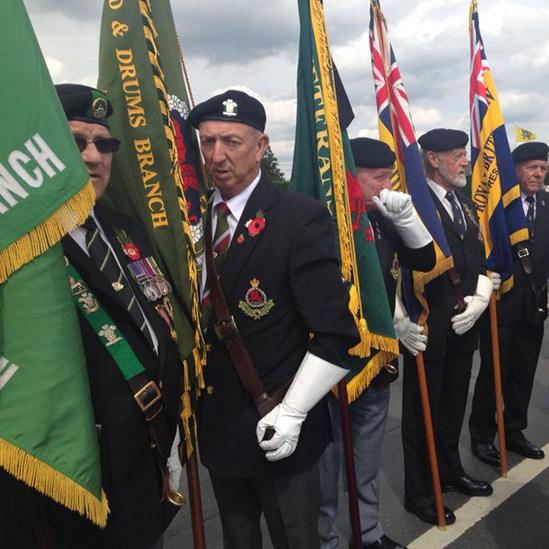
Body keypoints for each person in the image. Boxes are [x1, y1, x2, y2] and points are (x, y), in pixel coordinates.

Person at [0, 84, 182, 549]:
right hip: (63, 487)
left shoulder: (124, 229)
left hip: (142, 468)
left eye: (104, 144)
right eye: (76, 141)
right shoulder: (18, 251)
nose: (94, 156)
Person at [187, 89, 359, 549]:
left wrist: (294, 411)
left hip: (279, 423)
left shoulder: (299, 218)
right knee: (237, 540)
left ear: (261, 145)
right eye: (207, 142)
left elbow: (336, 335)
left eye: (232, 141)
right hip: (220, 425)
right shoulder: (196, 221)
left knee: (296, 539)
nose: (217, 156)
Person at [318, 137, 435, 549]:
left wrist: (407, 222)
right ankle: (326, 539)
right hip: (331, 360)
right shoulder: (323, 221)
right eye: (379, 177)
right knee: (328, 460)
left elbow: (424, 262)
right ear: (351, 176)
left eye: (389, 176)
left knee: (366, 454)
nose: (387, 186)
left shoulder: (384, 218)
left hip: (378, 356)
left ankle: (368, 533)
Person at [401, 128, 495, 526]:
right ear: (433, 159)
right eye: (457, 155)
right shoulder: (415, 205)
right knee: (422, 413)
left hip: (462, 324)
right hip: (428, 326)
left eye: (465, 154)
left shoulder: (463, 204)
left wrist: (480, 297)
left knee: (453, 405)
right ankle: (420, 491)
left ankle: (449, 470)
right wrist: (400, 319)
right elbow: (401, 266)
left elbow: (475, 253)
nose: (465, 162)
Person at [469, 141, 549, 464]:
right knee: (494, 373)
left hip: (534, 307)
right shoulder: (498, 205)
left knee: (523, 374)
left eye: (543, 169)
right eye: (532, 168)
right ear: (515, 169)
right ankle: (482, 435)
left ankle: (514, 431)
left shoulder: (546, 204)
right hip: (501, 304)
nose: (539, 174)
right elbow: (478, 250)